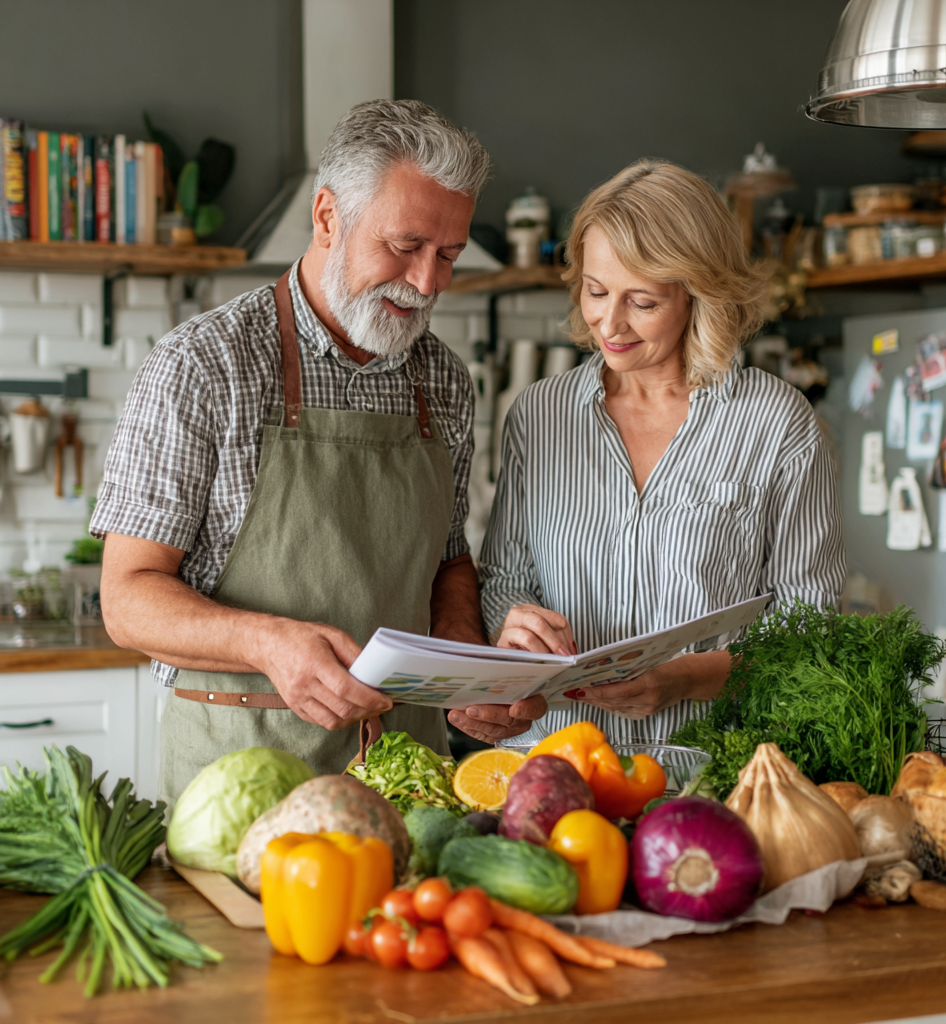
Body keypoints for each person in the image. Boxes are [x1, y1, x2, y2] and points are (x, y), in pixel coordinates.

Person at [92, 100, 546, 805]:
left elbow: (448, 558)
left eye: (448, 255)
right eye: (405, 245)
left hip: (407, 784)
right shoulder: (204, 365)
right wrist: (267, 643)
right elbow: (126, 599)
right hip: (242, 782)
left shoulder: (444, 379)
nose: (427, 283)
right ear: (328, 216)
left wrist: (465, 668)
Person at [477, 160, 845, 746]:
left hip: (710, 774)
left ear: (700, 294)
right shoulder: (540, 415)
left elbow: (810, 633)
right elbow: (503, 579)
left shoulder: (777, 425)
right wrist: (514, 625)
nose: (610, 322)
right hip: (554, 767)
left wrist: (686, 679)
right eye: (596, 291)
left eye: (642, 302)